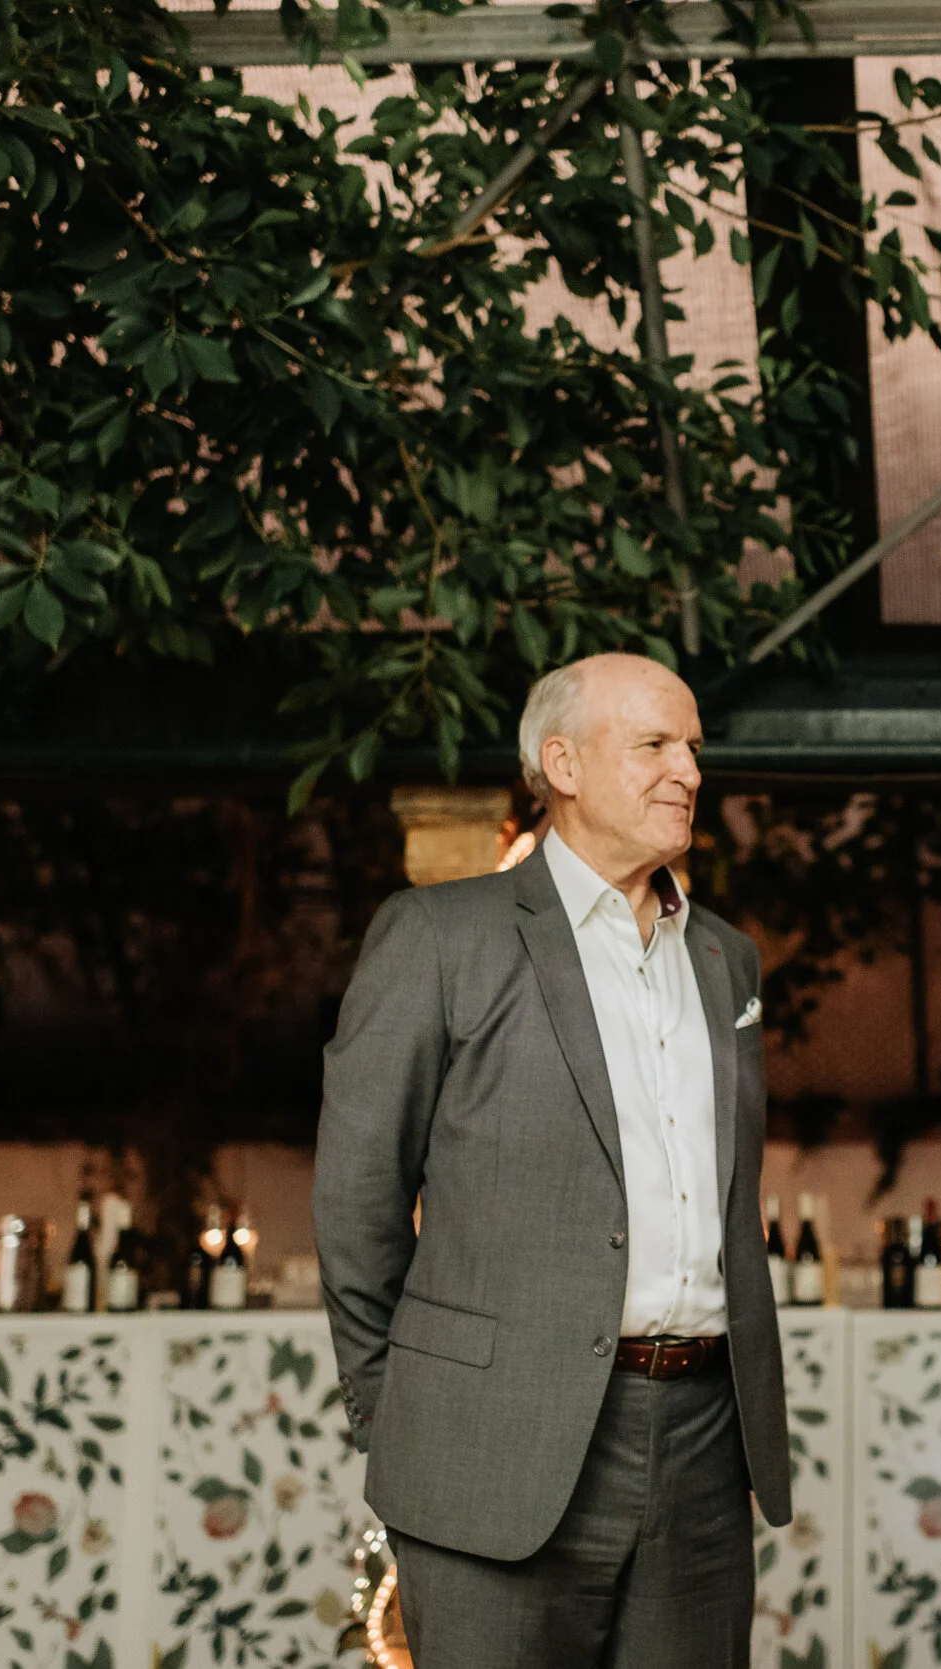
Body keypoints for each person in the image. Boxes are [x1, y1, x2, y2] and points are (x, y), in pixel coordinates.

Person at [314, 652, 789, 1668]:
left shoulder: (726, 958)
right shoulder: (440, 937)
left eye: (693, 747)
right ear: (562, 764)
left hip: (704, 1444)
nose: (689, 771)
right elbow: (356, 1202)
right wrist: (400, 1415)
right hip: (487, 1445)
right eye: (655, 744)